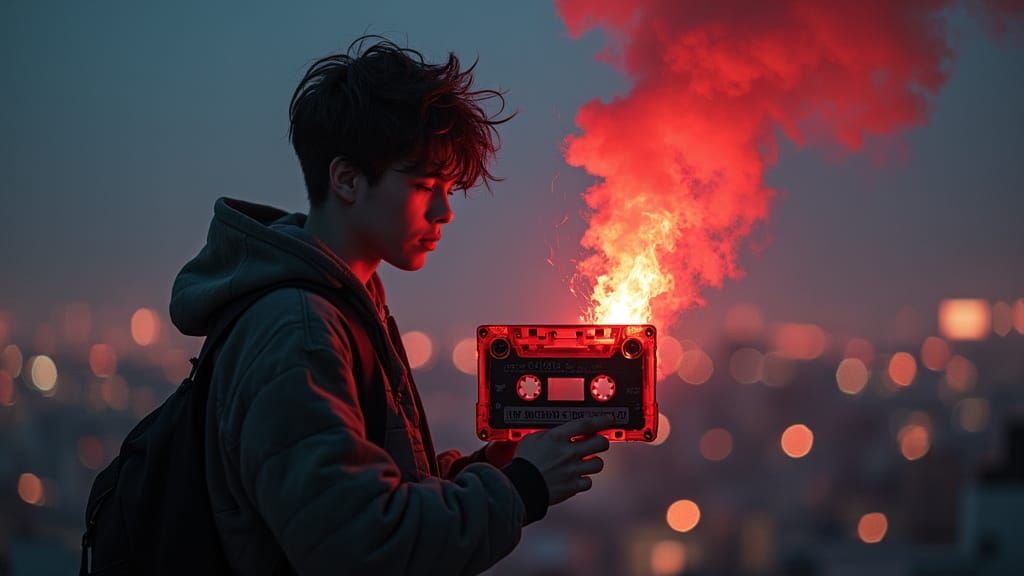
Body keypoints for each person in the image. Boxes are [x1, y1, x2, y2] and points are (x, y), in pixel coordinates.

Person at [168, 36, 612, 575]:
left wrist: (488, 468)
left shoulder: (338, 306)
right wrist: (521, 488)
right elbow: (359, 546)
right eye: (426, 184)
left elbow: (366, 495)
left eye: (450, 187)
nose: (445, 211)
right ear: (347, 179)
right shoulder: (299, 329)